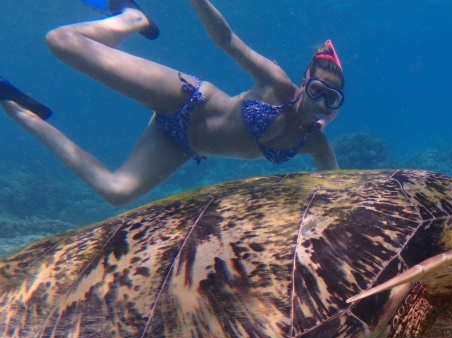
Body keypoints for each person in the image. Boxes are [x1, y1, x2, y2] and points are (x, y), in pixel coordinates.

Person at [0, 0, 344, 206]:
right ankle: (131, 19)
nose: (321, 104)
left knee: (116, 192)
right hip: (187, 99)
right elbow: (226, 39)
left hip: (179, 143)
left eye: (332, 99)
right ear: (304, 82)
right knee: (61, 41)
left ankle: (17, 110)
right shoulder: (279, 85)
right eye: (317, 91)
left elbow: (337, 191)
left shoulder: (315, 142)